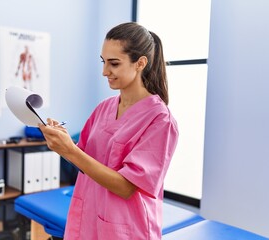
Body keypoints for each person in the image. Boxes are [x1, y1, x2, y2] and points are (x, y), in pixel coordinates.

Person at [38, 22, 179, 239]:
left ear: (140, 63)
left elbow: (126, 187)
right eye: (103, 62)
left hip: (124, 228)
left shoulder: (160, 120)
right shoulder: (104, 107)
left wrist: (71, 151)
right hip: (87, 219)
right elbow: (84, 160)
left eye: (114, 63)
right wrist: (63, 144)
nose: (105, 72)